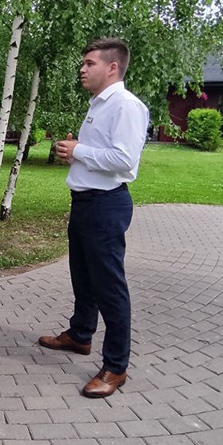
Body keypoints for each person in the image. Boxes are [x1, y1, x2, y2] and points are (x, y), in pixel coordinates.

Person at [38, 38, 149, 398]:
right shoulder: (99, 105)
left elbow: (124, 160)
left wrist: (79, 150)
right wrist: (76, 155)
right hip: (86, 202)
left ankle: (116, 367)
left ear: (112, 67)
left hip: (106, 205)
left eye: (89, 63)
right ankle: (80, 335)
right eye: (83, 63)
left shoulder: (126, 106)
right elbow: (101, 155)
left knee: (109, 287)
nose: (82, 69)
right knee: (83, 277)